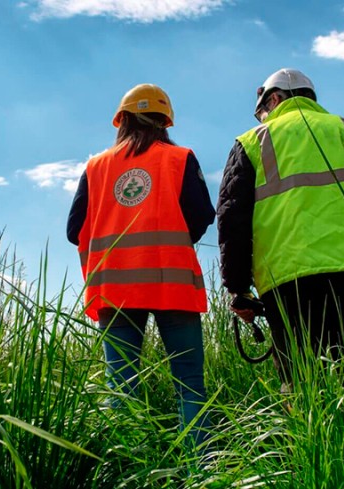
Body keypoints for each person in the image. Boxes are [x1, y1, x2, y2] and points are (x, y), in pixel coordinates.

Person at [217, 68, 344, 392]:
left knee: (302, 386)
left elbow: (231, 219)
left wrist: (238, 289)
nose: (262, 119)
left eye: (262, 111)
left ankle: (312, 444)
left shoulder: (252, 142)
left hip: (289, 281)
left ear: (274, 99)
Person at [67, 83, 215, 446]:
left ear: (122, 120)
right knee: (189, 384)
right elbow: (202, 216)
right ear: (165, 122)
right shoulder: (179, 159)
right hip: (171, 282)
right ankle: (201, 473)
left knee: (120, 386)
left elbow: (74, 230)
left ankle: (123, 469)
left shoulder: (96, 167)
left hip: (114, 289)